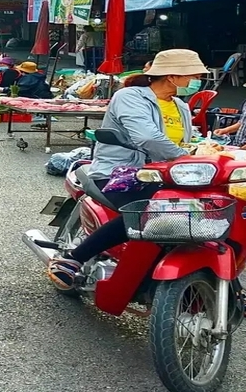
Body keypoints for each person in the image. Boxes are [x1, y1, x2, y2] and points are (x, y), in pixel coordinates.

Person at [47, 49, 207, 290]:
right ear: (173, 76)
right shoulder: (130, 97)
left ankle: (231, 289)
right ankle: (73, 259)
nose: (197, 81)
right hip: (122, 174)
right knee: (147, 212)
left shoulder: (181, 106)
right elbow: (147, 138)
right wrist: (186, 156)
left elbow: (187, 141)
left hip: (168, 176)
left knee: (214, 211)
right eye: (193, 76)